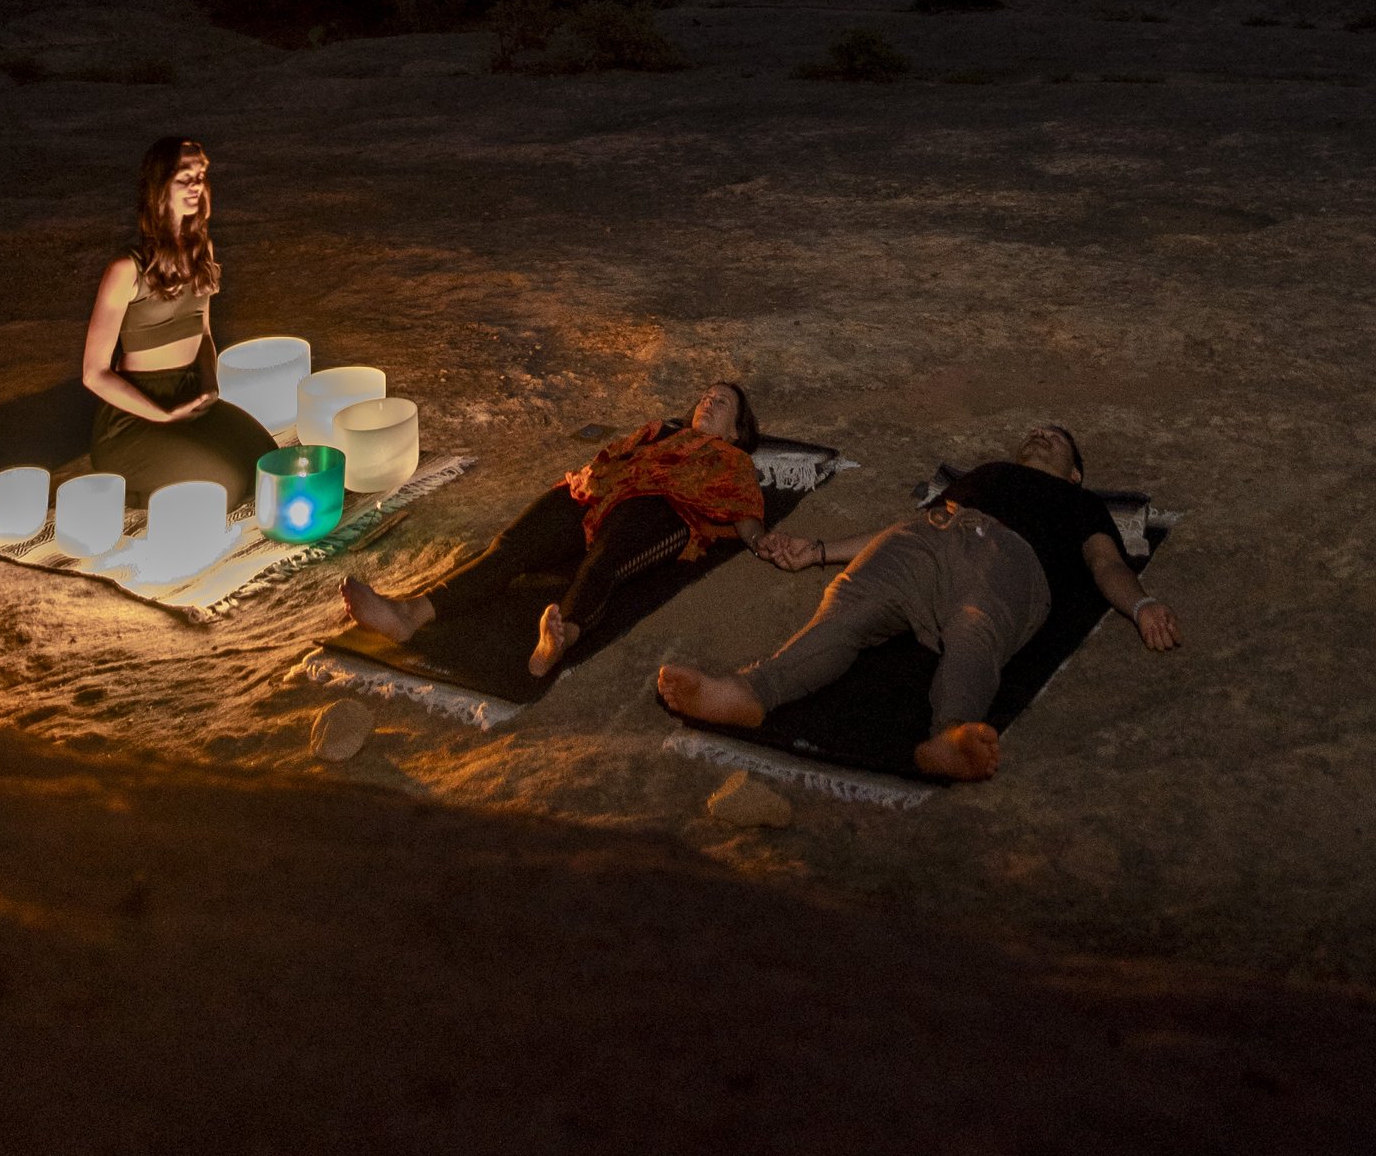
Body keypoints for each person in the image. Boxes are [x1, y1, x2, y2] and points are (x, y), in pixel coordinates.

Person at [656, 421, 1179, 780]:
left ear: (1075, 474)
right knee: (848, 604)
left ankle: (950, 738)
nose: (1041, 435)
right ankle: (749, 694)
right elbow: (898, 528)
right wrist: (819, 552)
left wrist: (1141, 605)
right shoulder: (989, 471)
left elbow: (1106, 564)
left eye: (1057, 438)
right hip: (926, 537)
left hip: (1009, 559)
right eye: (1037, 432)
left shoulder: (1080, 502)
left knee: (975, 629)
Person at [345, 380, 767, 678]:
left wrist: (760, 540)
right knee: (511, 546)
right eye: (706, 397)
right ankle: (411, 613)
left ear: (735, 430)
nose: (709, 402)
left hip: (665, 505)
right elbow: (612, 456)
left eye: (723, 402)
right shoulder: (660, 431)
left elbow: (744, 505)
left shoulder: (730, 459)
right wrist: (584, 482)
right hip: (597, 492)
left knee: (606, 560)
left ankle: (559, 639)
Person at [75, 132, 269, 510]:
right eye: (185, 175)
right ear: (160, 185)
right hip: (135, 416)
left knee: (266, 461)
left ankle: (181, 457)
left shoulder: (202, 252)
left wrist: (210, 387)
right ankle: (126, 492)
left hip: (189, 396)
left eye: (201, 174)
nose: (197, 184)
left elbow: (205, 334)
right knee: (223, 484)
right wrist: (162, 415)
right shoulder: (125, 269)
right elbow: (93, 373)